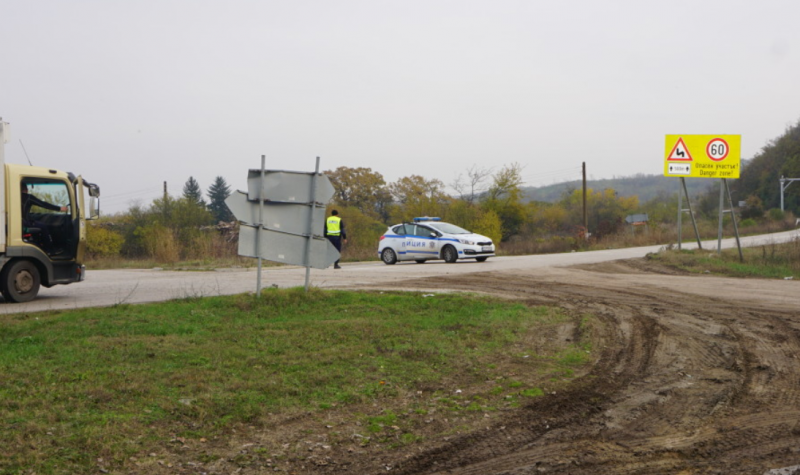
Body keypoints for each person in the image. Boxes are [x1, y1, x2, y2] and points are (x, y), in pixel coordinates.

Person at [21, 183, 68, 254]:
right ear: (26, 189)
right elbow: (43, 204)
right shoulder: (28, 197)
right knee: (43, 227)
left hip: (19, 224)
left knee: (36, 224)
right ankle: (50, 250)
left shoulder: (12, 197)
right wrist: (59, 208)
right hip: (25, 225)